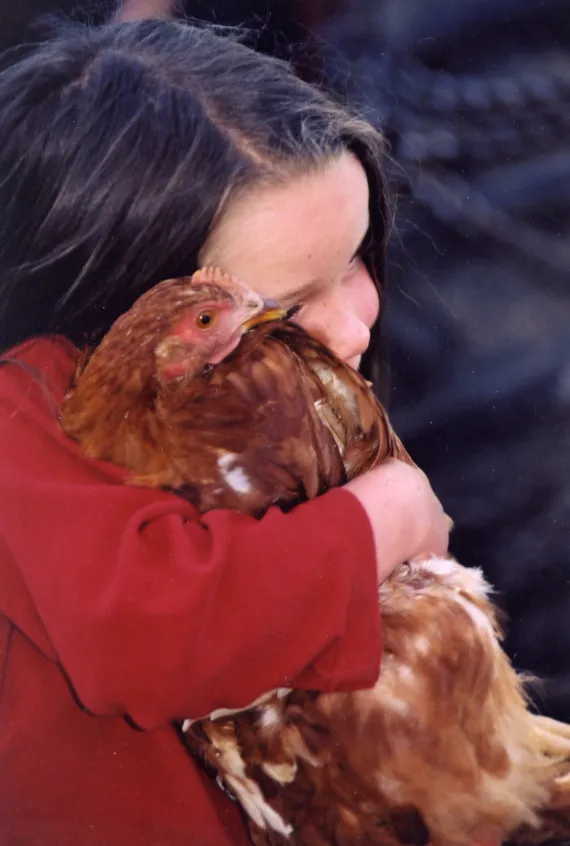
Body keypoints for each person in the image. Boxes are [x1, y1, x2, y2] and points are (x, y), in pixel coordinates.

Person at [0, 19, 449, 846]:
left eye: (356, 259)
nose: (352, 328)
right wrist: (381, 519)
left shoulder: (290, 412)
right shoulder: (21, 415)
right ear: (127, 307)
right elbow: (144, 635)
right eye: (290, 306)